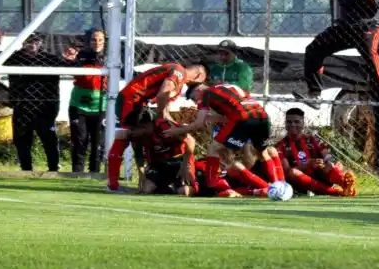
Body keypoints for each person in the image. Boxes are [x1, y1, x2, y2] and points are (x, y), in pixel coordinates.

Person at [298, 0, 379, 101]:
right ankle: (314, 94)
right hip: (346, 27)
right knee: (313, 49)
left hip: (369, 27)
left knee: (372, 56)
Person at [105, 62, 208, 191]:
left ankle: (116, 184)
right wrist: (162, 115)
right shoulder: (179, 71)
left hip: (135, 101)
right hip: (132, 99)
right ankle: (113, 185)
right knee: (125, 135)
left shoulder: (179, 81)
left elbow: (164, 100)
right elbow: (162, 94)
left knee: (132, 137)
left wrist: (166, 117)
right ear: (200, 75)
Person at [164, 83, 284, 193]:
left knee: (213, 149)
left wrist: (177, 131)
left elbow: (198, 124)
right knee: (263, 153)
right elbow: (234, 112)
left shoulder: (206, 94)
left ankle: (210, 190)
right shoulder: (228, 87)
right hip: (262, 116)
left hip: (242, 119)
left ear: (198, 90)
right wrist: (211, 118)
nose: (195, 102)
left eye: (193, 98)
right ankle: (279, 186)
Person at [0, 28, 77, 172]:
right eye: (28, 41)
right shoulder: (14, 57)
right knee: (22, 139)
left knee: (49, 138)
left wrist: (71, 59)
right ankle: (26, 169)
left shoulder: (50, 58)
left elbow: (72, 67)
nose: (32, 44)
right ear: (23, 43)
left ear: (40, 43)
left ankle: (53, 167)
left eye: (35, 41)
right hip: (22, 106)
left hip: (45, 106)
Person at [276, 108, 358, 196]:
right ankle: (336, 192)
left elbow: (327, 156)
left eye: (297, 122)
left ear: (303, 123)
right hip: (300, 182)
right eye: (289, 122)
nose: (292, 124)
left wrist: (329, 164)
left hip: (319, 176)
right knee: (293, 172)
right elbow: (287, 171)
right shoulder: (280, 145)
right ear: (285, 124)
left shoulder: (312, 139)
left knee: (334, 165)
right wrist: (307, 165)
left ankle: (345, 184)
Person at [68, 28, 106, 173]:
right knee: (80, 140)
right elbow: (68, 67)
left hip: (101, 106)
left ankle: (95, 173)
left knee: (98, 142)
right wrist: (69, 61)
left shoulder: (111, 57)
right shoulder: (80, 55)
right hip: (79, 105)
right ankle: (77, 173)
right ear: (88, 41)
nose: (97, 42)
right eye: (94, 39)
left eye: (100, 40)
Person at [134, 114, 196, 195]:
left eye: (143, 127)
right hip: (159, 164)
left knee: (184, 191)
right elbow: (138, 155)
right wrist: (142, 176)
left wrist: (185, 165)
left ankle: (191, 188)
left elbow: (191, 141)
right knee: (146, 189)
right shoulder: (138, 136)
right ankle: (167, 188)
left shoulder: (164, 127)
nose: (133, 132)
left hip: (179, 162)